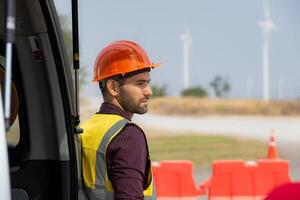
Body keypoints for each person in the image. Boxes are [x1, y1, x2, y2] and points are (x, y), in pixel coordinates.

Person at [81, 40, 160, 200]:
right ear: (113, 88)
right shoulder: (127, 135)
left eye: (148, 82)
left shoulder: (87, 127)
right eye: (140, 83)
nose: (149, 91)